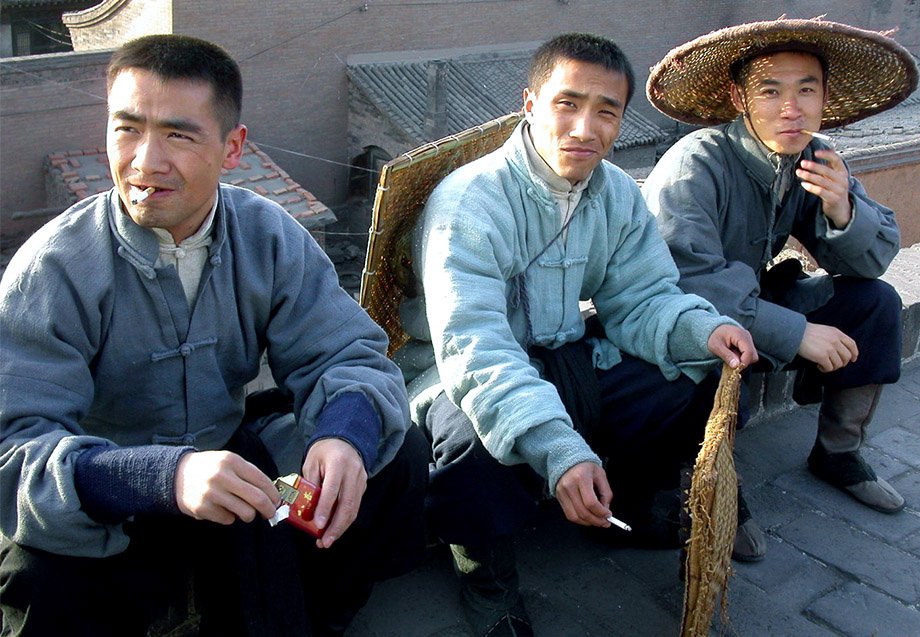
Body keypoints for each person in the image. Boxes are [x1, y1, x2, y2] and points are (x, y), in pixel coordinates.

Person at [0, 34, 427, 636]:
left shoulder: (268, 235)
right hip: (109, 492)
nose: (146, 161)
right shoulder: (55, 269)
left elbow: (346, 352)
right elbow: (16, 453)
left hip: (236, 466)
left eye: (178, 134)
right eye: (126, 129)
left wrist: (342, 438)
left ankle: (326, 609)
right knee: (36, 580)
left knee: (390, 454)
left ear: (233, 148)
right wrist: (165, 477)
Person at [396, 33, 757, 637]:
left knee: (691, 374)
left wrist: (703, 327)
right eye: (567, 103)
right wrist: (561, 450)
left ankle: (637, 504)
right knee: (473, 439)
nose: (585, 128)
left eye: (607, 110)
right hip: (460, 371)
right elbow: (475, 349)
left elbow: (642, 298)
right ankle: (486, 576)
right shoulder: (470, 204)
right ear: (530, 104)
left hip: (563, 353)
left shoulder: (615, 192)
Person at [643, 18, 919, 562]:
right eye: (771, 91)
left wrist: (843, 209)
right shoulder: (696, 163)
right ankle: (720, 492)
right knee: (717, 351)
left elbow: (873, 261)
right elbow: (687, 282)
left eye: (806, 90)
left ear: (824, 98)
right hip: (685, 322)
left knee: (874, 305)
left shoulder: (813, 157)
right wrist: (797, 334)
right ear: (738, 96)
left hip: (758, 304)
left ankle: (839, 452)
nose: (790, 109)